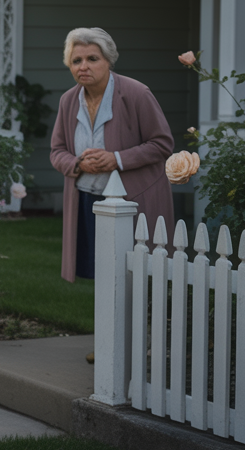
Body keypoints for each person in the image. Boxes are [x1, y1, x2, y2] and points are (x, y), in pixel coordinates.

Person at [49, 27, 173, 282]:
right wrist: (77, 163)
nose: (83, 66)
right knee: (101, 279)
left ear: (108, 61)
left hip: (130, 202)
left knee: (135, 277)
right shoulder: (67, 101)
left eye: (92, 59)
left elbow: (162, 143)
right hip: (85, 200)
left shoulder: (138, 93)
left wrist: (115, 159)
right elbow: (57, 151)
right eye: (76, 60)